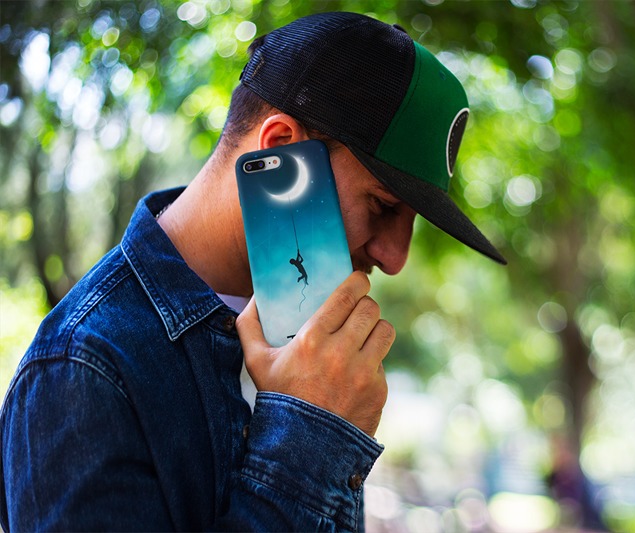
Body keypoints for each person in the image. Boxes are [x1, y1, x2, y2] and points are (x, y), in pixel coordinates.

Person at [0, 11, 506, 532]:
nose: (396, 258)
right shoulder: (82, 369)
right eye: (382, 205)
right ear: (281, 148)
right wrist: (309, 433)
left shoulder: (309, 344)